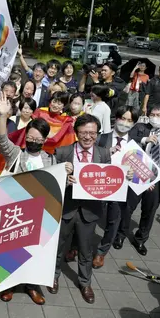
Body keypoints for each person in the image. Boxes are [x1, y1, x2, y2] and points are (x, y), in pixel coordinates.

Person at [0, 94, 73, 305]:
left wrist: (68, 175)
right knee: (12, 252)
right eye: (30, 137)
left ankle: (31, 286)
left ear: (45, 140)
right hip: (15, 214)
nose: (34, 142)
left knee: (35, 253)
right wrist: (3, 116)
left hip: (40, 216)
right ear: (25, 136)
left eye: (39, 139)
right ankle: (9, 285)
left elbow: (59, 186)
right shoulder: (16, 155)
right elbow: (2, 139)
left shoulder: (52, 159)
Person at [49, 114, 111, 304]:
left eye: (92, 133)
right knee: (58, 247)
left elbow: (109, 181)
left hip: (89, 211)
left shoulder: (104, 154)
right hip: (66, 208)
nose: (88, 137)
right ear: (76, 133)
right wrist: (63, 179)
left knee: (86, 250)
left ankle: (85, 283)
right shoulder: (62, 152)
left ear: (97, 134)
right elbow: (50, 182)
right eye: (83, 132)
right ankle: (53, 276)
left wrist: (125, 176)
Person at [114, 102, 160, 255]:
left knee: (149, 211)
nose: (155, 118)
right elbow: (128, 139)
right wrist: (145, 140)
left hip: (159, 179)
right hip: (138, 173)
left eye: (159, 115)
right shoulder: (141, 128)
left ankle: (141, 239)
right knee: (128, 207)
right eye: (152, 115)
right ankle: (120, 235)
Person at [90, 106, 140, 268]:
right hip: (100, 184)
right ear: (116, 118)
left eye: (129, 120)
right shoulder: (101, 139)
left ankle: (101, 252)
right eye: (122, 118)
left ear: (134, 124)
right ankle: (77, 246)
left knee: (113, 221)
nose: (125, 123)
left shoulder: (135, 144)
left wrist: (135, 176)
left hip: (121, 188)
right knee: (89, 217)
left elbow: (140, 168)